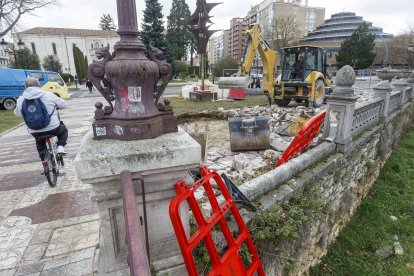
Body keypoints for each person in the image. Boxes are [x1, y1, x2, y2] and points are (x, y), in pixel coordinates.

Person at [14, 77, 68, 162]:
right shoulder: (49, 95)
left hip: (34, 130)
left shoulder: (21, 99)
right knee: (63, 131)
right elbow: (64, 105)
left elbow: (17, 114)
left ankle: (44, 160)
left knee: (39, 140)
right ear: (38, 85)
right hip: (53, 128)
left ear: (25, 87)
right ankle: (60, 147)